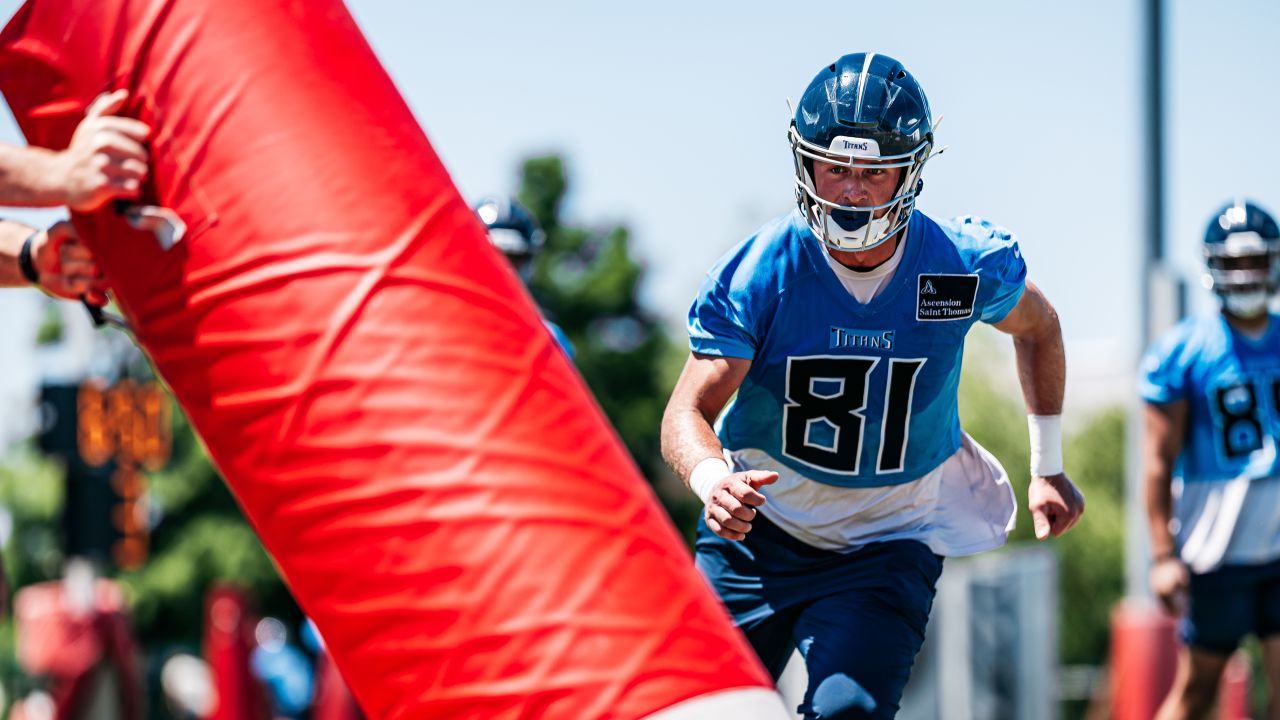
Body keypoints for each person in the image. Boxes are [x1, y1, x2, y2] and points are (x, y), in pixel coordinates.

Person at [660, 52, 1084, 719]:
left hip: (887, 542)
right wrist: (713, 480)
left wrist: (1048, 465)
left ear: (909, 171)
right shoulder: (763, 271)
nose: (851, 191)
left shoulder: (956, 266)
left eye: (873, 171)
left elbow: (1040, 326)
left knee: (847, 713)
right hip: (758, 538)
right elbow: (687, 410)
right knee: (696, 710)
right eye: (835, 167)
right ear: (806, 163)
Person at [1141, 200, 1280, 720]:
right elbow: (1157, 461)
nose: (1245, 275)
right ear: (1214, 266)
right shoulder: (1183, 351)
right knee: (1198, 692)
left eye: (1255, 261)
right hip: (1217, 547)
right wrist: (1161, 556)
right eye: (1234, 263)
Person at [474, 194, 573, 357]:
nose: (503, 267)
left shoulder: (550, 340)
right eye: (493, 255)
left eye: (513, 258)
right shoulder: (433, 323)